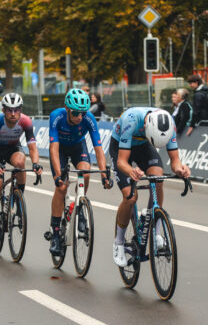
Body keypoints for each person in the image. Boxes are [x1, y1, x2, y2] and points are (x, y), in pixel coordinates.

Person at [109, 108, 191, 267]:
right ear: (146, 126)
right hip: (120, 147)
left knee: (157, 177)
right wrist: (131, 171)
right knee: (130, 197)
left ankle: (156, 234)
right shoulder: (131, 120)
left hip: (143, 146)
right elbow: (122, 162)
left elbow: (175, 161)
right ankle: (118, 242)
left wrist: (180, 169)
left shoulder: (169, 123)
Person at [48, 88, 112, 256]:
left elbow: (98, 149)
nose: (79, 117)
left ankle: (80, 205)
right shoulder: (57, 116)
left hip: (78, 146)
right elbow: (53, 149)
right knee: (61, 187)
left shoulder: (89, 119)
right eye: (75, 113)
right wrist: (58, 175)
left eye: (82, 113)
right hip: (60, 149)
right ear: (67, 109)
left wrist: (104, 174)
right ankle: (55, 233)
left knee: (86, 172)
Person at [0, 93, 42, 247]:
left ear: (20, 110)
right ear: (3, 110)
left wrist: (36, 163)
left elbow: (32, 147)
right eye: (9, 110)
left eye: (16, 110)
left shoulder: (26, 121)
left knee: (21, 161)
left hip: (13, 148)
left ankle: (18, 197)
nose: (13, 113)